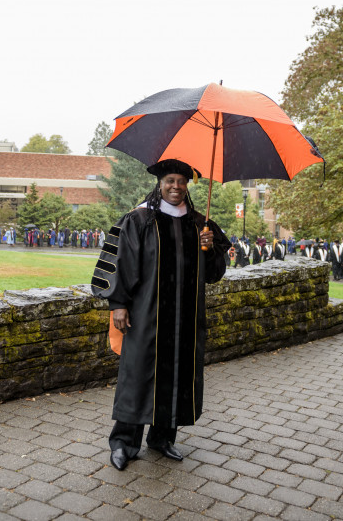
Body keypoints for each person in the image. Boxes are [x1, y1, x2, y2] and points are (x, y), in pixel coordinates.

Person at [90, 159, 230, 472]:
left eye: (182, 181)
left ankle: (162, 438)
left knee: (176, 376)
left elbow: (214, 274)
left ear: (187, 184)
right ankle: (124, 444)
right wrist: (118, 304)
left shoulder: (199, 223)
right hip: (146, 316)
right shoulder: (139, 219)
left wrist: (210, 248)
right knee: (137, 376)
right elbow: (120, 262)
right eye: (170, 180)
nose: (176, 186)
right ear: (160, 183)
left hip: (185, 320)